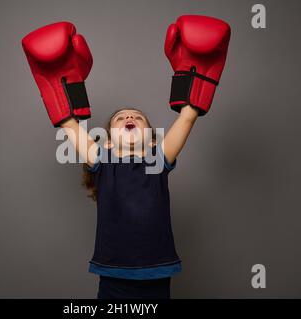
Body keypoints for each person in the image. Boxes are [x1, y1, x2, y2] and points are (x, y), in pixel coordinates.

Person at [22, 15, 230, 299]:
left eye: (137, 118)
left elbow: (187, 118)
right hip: (112, 275)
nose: (129, 118)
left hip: (157, 272)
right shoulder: (103, 162)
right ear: (107, 141)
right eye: (121, 118)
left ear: (153, 140)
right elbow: (69, 124)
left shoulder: (157, 160)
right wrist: (60, 87)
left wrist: (196, 84)